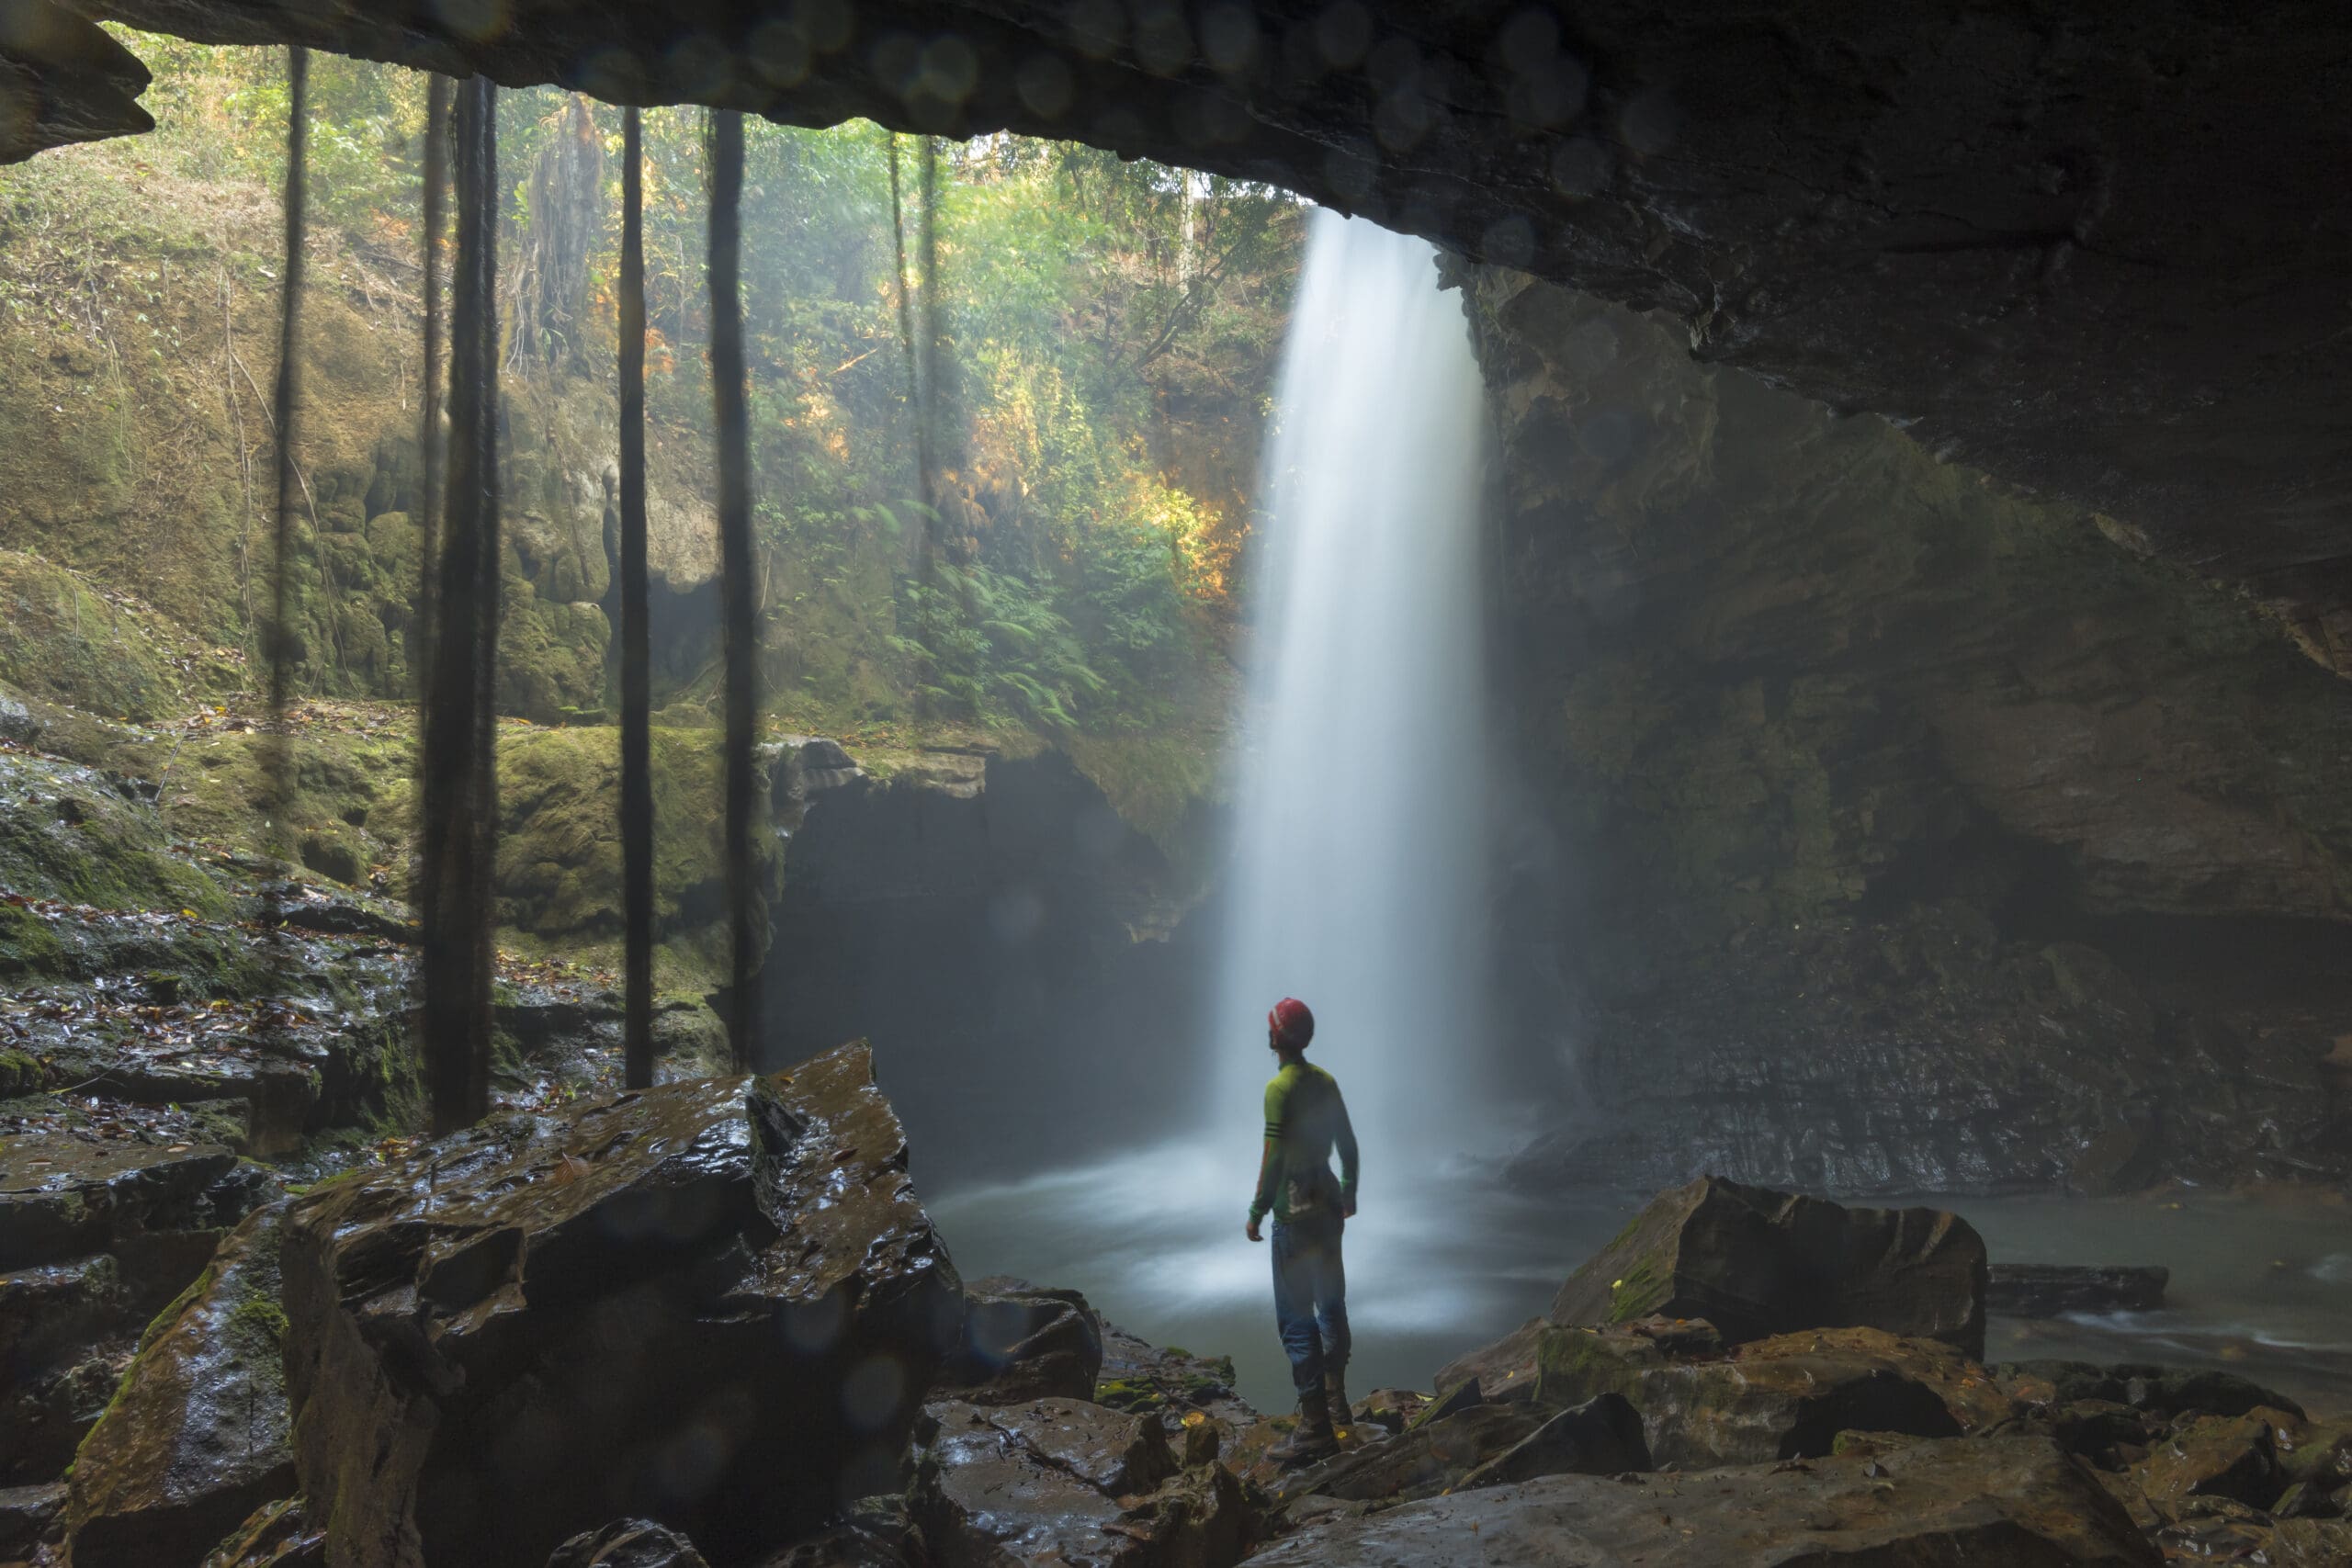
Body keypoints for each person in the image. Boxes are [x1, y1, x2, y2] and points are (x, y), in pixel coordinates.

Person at [1245, 995, 1360, 1462]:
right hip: (1329, 1210)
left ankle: (1314, 1428)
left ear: (1276, 1037)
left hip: (1293, 1216)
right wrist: (1349, 1191)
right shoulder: (1325, 1082)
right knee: (1331, 1305)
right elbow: (1348, 1146)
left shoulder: (1280, 1089)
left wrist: (1256, 1210)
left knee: (1296, 1318)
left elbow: (1272, 1161)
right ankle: (1338, 1404)